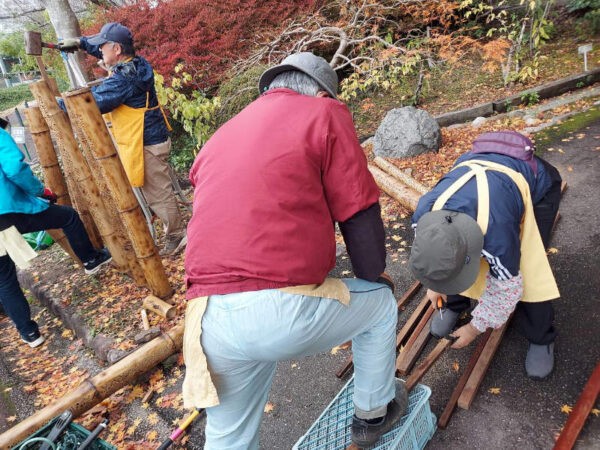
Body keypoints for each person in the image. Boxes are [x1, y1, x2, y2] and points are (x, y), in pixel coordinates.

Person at [181, 52, 407, 449]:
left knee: (229, 437)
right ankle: (372, 416)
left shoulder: (222, 134)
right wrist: (374, 275)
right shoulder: (323, 115)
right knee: (381, 306)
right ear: (323, 94)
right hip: (276, 308)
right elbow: (358, 208)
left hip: (206, 318)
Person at [409, 131, 562, 380]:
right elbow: (434, 258)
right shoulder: (424, 214)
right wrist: (433, 284)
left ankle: (541, 335)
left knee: (529, 268)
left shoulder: (497, 234)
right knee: (450, 261)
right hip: (481, 177)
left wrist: (475, 327)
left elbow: (507, 286)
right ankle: (454, 306)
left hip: (535, 188)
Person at [58, 23, 186, 256]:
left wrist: (58, 103)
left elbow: (94, 103)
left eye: (103, 47)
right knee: (155, 190)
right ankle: (173, 227)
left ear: (116, 49)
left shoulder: (125, 77)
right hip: (146, 137)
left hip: (146, 141)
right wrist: (81, 43)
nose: (100, 52)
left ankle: (177, 235)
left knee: (158, 193)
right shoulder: (135, 62)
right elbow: (105, 55)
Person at [0, 117, 112, 348]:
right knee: (67, 216)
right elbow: (14, 169)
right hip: (8, 210)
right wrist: (40, 190)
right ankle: (90, 259)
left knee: (5, 279)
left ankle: (30, 334)